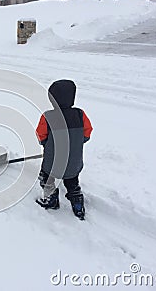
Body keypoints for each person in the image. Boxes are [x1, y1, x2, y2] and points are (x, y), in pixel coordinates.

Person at [35, 80, 92, 220]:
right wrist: (77, 142)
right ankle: (77, 204)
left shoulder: (48, 116)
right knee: (72, 181)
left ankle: (51, 200)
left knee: (46, 177)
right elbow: (87, 133)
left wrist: (46, 145)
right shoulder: (80, 114)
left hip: (52, 162)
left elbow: (40, 136)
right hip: (74, 161)